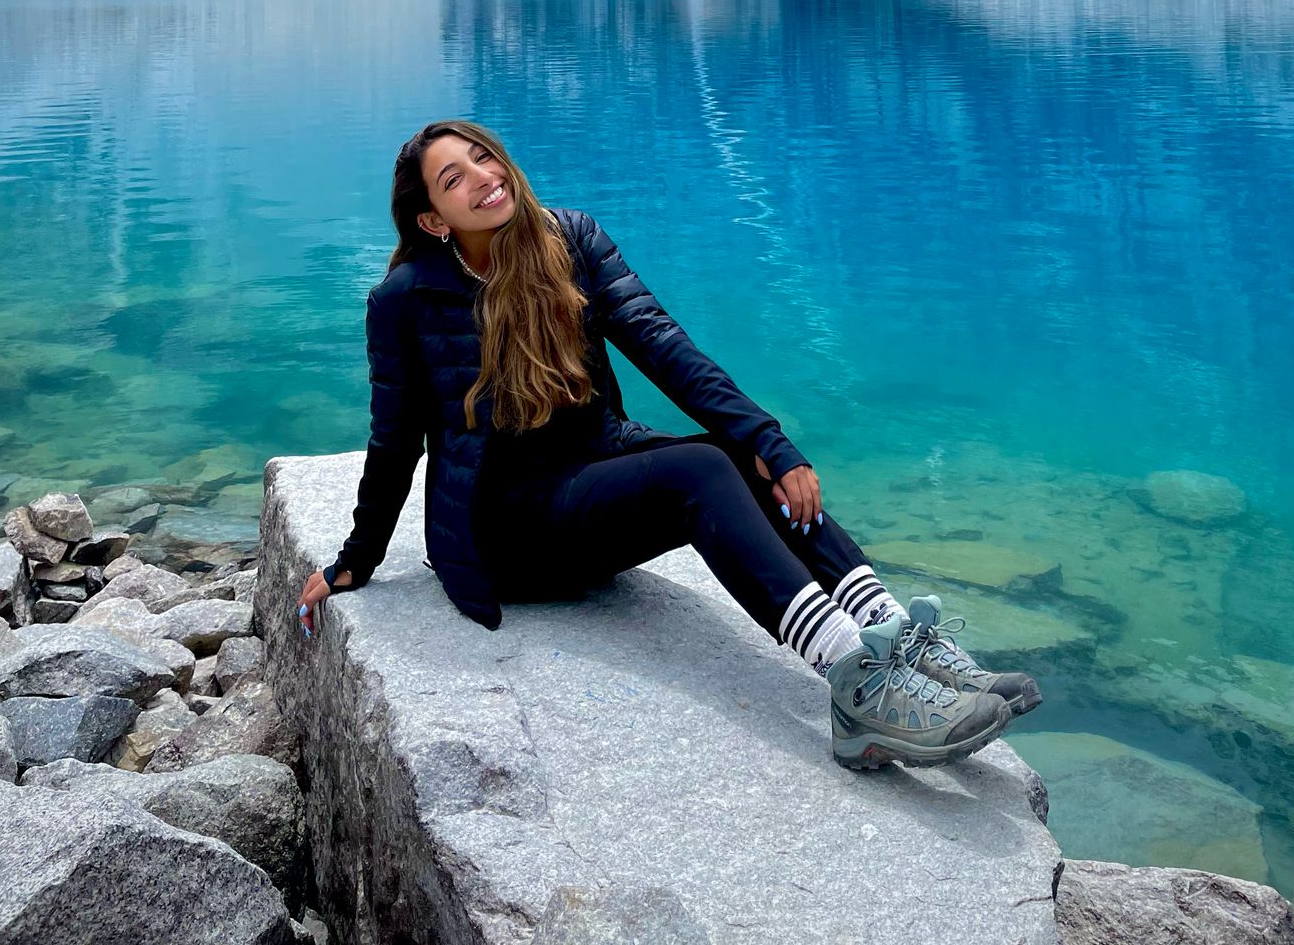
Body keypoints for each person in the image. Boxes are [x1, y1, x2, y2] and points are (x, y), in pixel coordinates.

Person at [296, 118, 1042, 770]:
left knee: (739, 458)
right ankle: (855, 681)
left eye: (485, 157)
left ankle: (891, 637)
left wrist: (771, 442)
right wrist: (358, 559)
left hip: (591, 472)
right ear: (434, 221)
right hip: (508, 528)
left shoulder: (571, 239)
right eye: (454, 179)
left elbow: (665, 347)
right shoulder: (404, 300)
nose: (485, 178)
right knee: (698, 469)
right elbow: (393, 441)